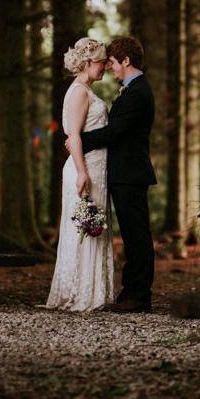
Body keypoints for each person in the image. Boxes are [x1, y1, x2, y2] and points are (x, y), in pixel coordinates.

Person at [79, 36, 157, 313]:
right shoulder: (132, 90)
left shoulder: (138, 93)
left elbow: (115, 131)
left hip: (131, 174)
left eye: (112, 62)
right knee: (131, 234)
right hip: (125, 173)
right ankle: (130, 292)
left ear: (126, 60)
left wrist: (80, 140)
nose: (109, 67)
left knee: (136, 235)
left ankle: (139, 295)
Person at [46, 38, 114, 312]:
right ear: (87, 63)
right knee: (85, 226)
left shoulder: (86, 90)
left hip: (97, 167)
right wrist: (82, 173)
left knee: (94, 225)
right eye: (101, 62)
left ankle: (95, 291)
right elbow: (73, 135)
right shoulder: (78, 92)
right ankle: (79, 292)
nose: (105, 67)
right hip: (85, 168)